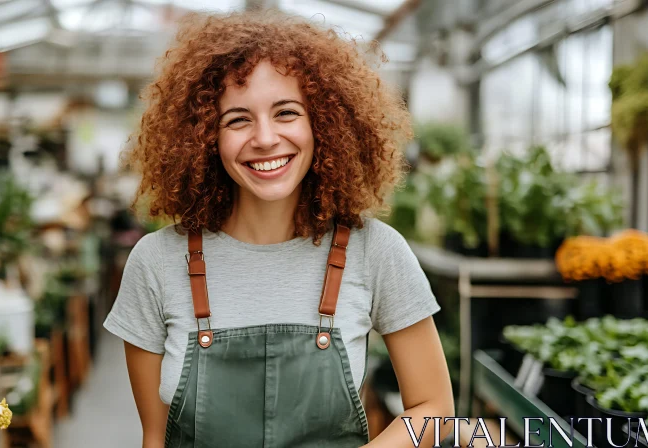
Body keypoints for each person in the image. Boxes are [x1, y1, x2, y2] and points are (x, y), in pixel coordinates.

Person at [104, 9, 454, 448]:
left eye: (286, 112)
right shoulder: (157, 263)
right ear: (204, 138)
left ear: (325, 123)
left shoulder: (375, 251)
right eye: (237, 119)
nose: (265, 138)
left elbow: (435, 410)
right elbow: (155, 438)